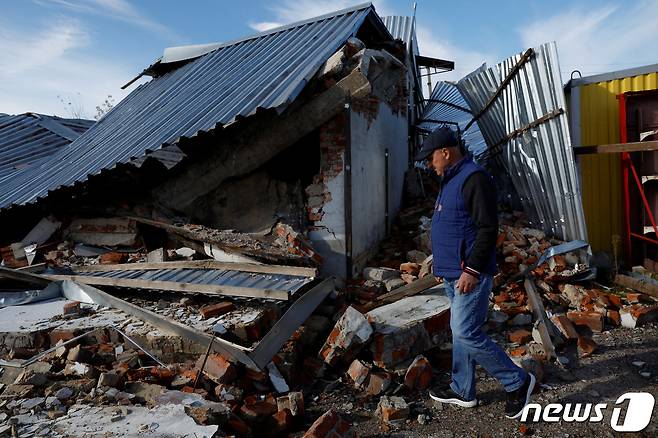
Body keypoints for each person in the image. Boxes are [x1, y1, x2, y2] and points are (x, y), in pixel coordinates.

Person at [414, 126, 535, 419]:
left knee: (465, 331)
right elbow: (455, 224)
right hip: (453, 274)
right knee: (460, 333)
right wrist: (442, 265)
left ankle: (517, 381)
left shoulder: (474, 178)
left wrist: (472, 268)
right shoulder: (451, 179)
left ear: (446, 152)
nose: (430, 164)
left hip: (470, 275)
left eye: (431, 158)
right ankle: (462, 389)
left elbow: (487, 229)